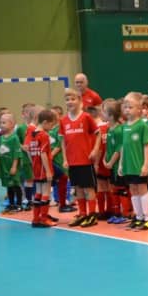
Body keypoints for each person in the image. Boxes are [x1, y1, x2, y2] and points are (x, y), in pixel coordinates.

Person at [60, 88, 101, 227]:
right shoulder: (63, 120)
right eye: (67, 99)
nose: (70, 102)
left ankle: (92, 215)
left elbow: (98, 133)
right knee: (78, 189)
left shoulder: (86, 117)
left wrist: (95, 150)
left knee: (88, 188)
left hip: (85, 160)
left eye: (73, 99)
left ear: (79, 100)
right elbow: (63, 141)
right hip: (72, 161)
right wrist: (65, 159)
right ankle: (82, 214)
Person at [118, 92, 148, 230]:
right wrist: (121, 164)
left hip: (139, 164)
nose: (127, 110)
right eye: (125, 107)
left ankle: (147, 218)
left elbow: (146, 146)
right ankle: (138, 217)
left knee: (142, 189)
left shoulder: (142, 125)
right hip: (128, 165)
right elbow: (123, 147)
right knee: (133, 189)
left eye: (130, 107)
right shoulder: (124, 126)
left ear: (139, 109)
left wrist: (145, 165)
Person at [26, 109, 56, 227]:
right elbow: (43, 153)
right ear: (45, 122)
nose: (51, 128)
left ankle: (35, 219)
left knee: (38, 192)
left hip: (36, 167)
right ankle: (44, 219)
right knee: (46, 192)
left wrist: (33, 163)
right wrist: (48, 171)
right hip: (44, 168)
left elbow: (28, 150)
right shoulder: (44, 135)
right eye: (51, 125)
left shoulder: (32, 134)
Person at [0, 113, 23, 213]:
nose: (1, 125)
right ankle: (11, 204)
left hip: (12, 166)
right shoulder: (1, 138)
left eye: (4, 123)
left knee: (15, 185)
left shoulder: (14, 138)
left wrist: (14, 166)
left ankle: (19, 204)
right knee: (9, 186)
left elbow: (17, 153)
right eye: (1, 122)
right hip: (4, 166)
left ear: (12, 124)